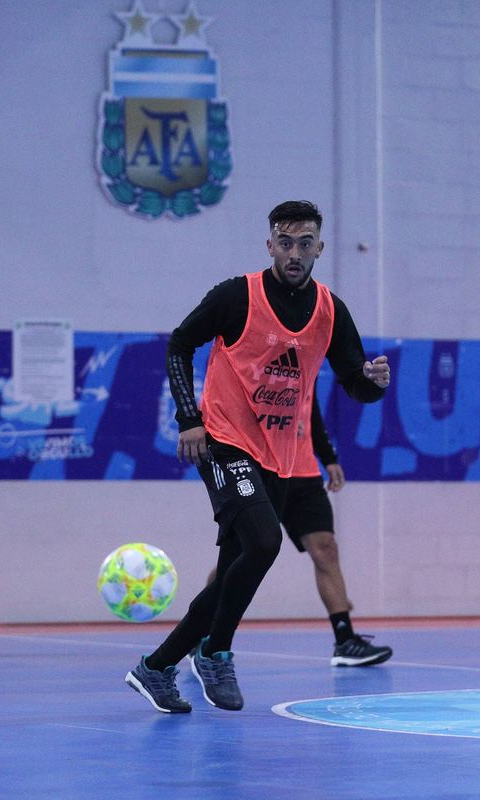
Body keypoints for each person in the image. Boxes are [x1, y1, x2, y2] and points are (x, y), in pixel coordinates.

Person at [126, 200, 390, 713]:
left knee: (231, 570)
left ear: (319, 247)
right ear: (270, 245)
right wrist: (189, 418)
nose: (295, 253)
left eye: (305, 242)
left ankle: (156, 668)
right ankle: (217, 652)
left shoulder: (331, 311)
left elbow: (356, 382)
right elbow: (179, 344)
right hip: (224, 440)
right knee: (265, 541)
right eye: (285, 243)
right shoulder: (237, 296)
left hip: (284, 460)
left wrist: (374, 383)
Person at [203, 394, 392, 668]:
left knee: (325, 546)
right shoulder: (247, 354)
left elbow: (308, 405)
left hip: (301, 468)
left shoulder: (307, 354)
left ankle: (345, 640)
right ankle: (201, 629)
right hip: (257, 464)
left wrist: (327, 456)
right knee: (240, 555)